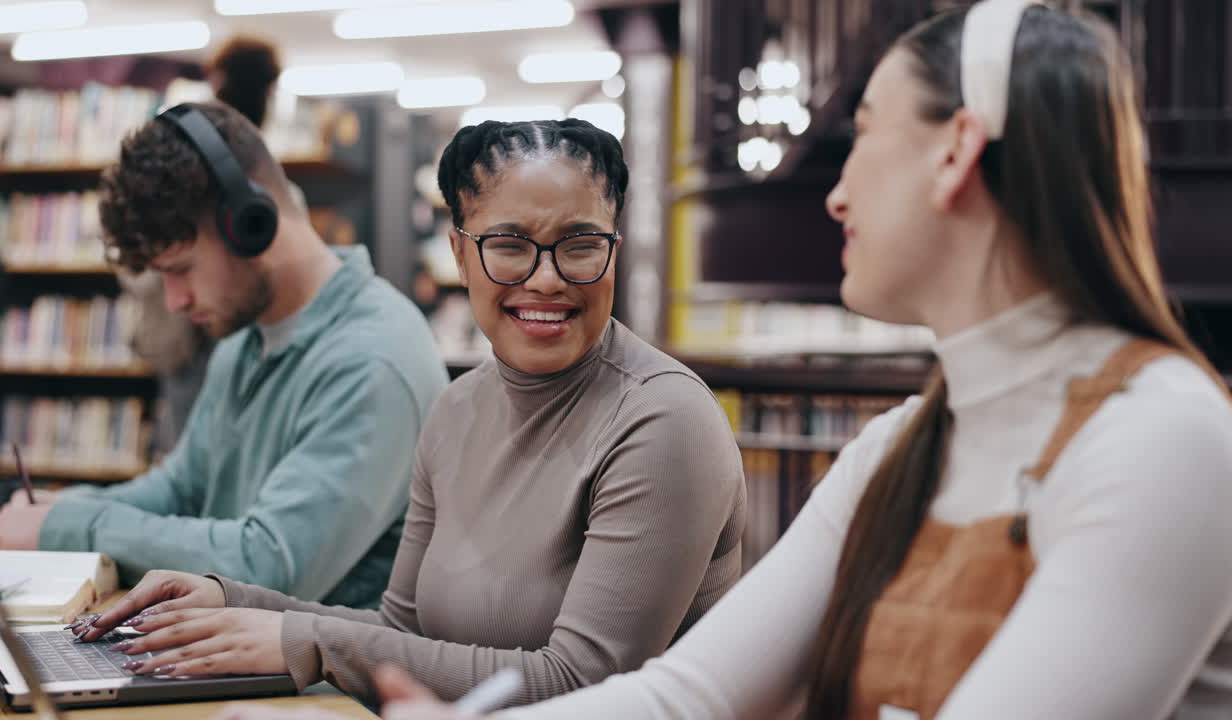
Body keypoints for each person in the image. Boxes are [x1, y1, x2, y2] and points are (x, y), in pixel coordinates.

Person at [363, 2, 1232, 718]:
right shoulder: (906, 444)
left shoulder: (1164, 439)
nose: (836, 188)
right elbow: (691, 693)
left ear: (957, 150)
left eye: (863, 135)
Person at [72, 118, 748, 709]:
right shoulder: (457, 410)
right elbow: (402, 634)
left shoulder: (664, 421)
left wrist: (300, 638)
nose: (546, 278)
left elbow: (580, 684)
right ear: (459, 253)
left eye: (580, 245)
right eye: (509, 245)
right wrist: (233, 600)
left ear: (614, 253)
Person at [0, 102, 450, 611]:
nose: (174, 301)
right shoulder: (244, 341)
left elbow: (268, 567)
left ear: (250, 223)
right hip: (234, 659)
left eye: (181, 268)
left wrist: (71, 527)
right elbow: (182, 489)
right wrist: (67, 507)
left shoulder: (373, 360)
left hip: (329, 684)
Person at [123, 35, 295, 456]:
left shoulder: (258, 174)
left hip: (234, 338)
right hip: (193, 344)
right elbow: (139, 264)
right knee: (196, 461)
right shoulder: (190, 163)